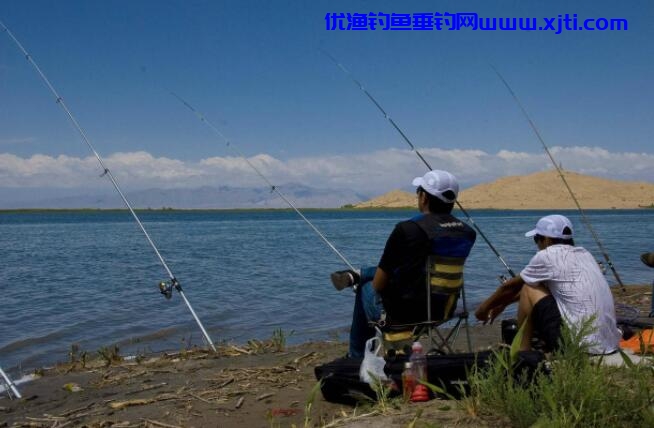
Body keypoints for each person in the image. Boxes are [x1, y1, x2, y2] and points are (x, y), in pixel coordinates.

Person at [331, 170, 477, 358]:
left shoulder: (407, 230)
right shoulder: (467, 233)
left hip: (404, 316)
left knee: (365, 288)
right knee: (406, 270)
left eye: (418, 191)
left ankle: (355, 356)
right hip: (443, 311)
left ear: (424, 197)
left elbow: (378, 285)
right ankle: (357, 274)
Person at [475, 214, 621, 355]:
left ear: (547, 240)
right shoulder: (586, 255)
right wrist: (503, 305)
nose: (537, 244)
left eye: (536, 239)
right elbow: (540, 287)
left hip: (580, 347)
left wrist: (482, 310)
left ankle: (522, 353)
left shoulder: (547, 256)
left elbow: (510, 287)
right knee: (537, 287)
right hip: (608, 344)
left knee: (528, 288)